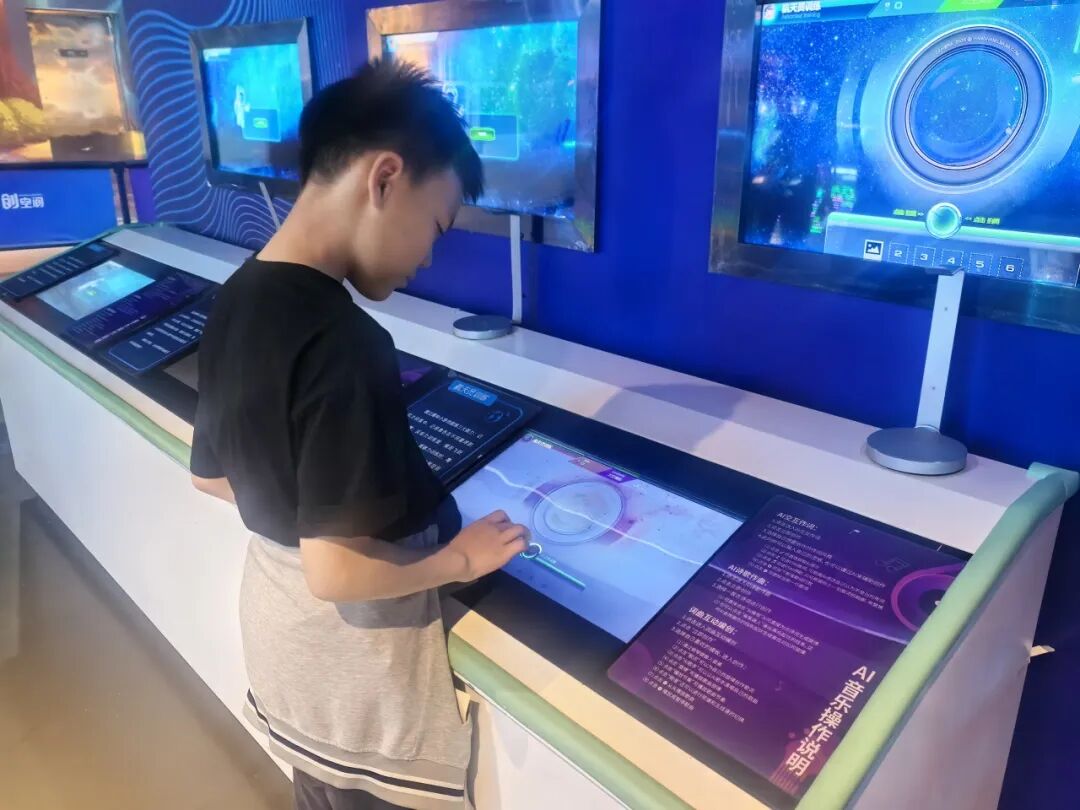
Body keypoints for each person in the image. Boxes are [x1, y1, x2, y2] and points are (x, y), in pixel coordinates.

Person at [190, 59, 529, 810]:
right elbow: (336, 573)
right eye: (435, 226)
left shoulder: (239, 297)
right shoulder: (347, 343)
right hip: (360, 693)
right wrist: (458, 558)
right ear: (384, 178)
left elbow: (209, 475)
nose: (427, 258)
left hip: (289, 666)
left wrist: (300, 503)